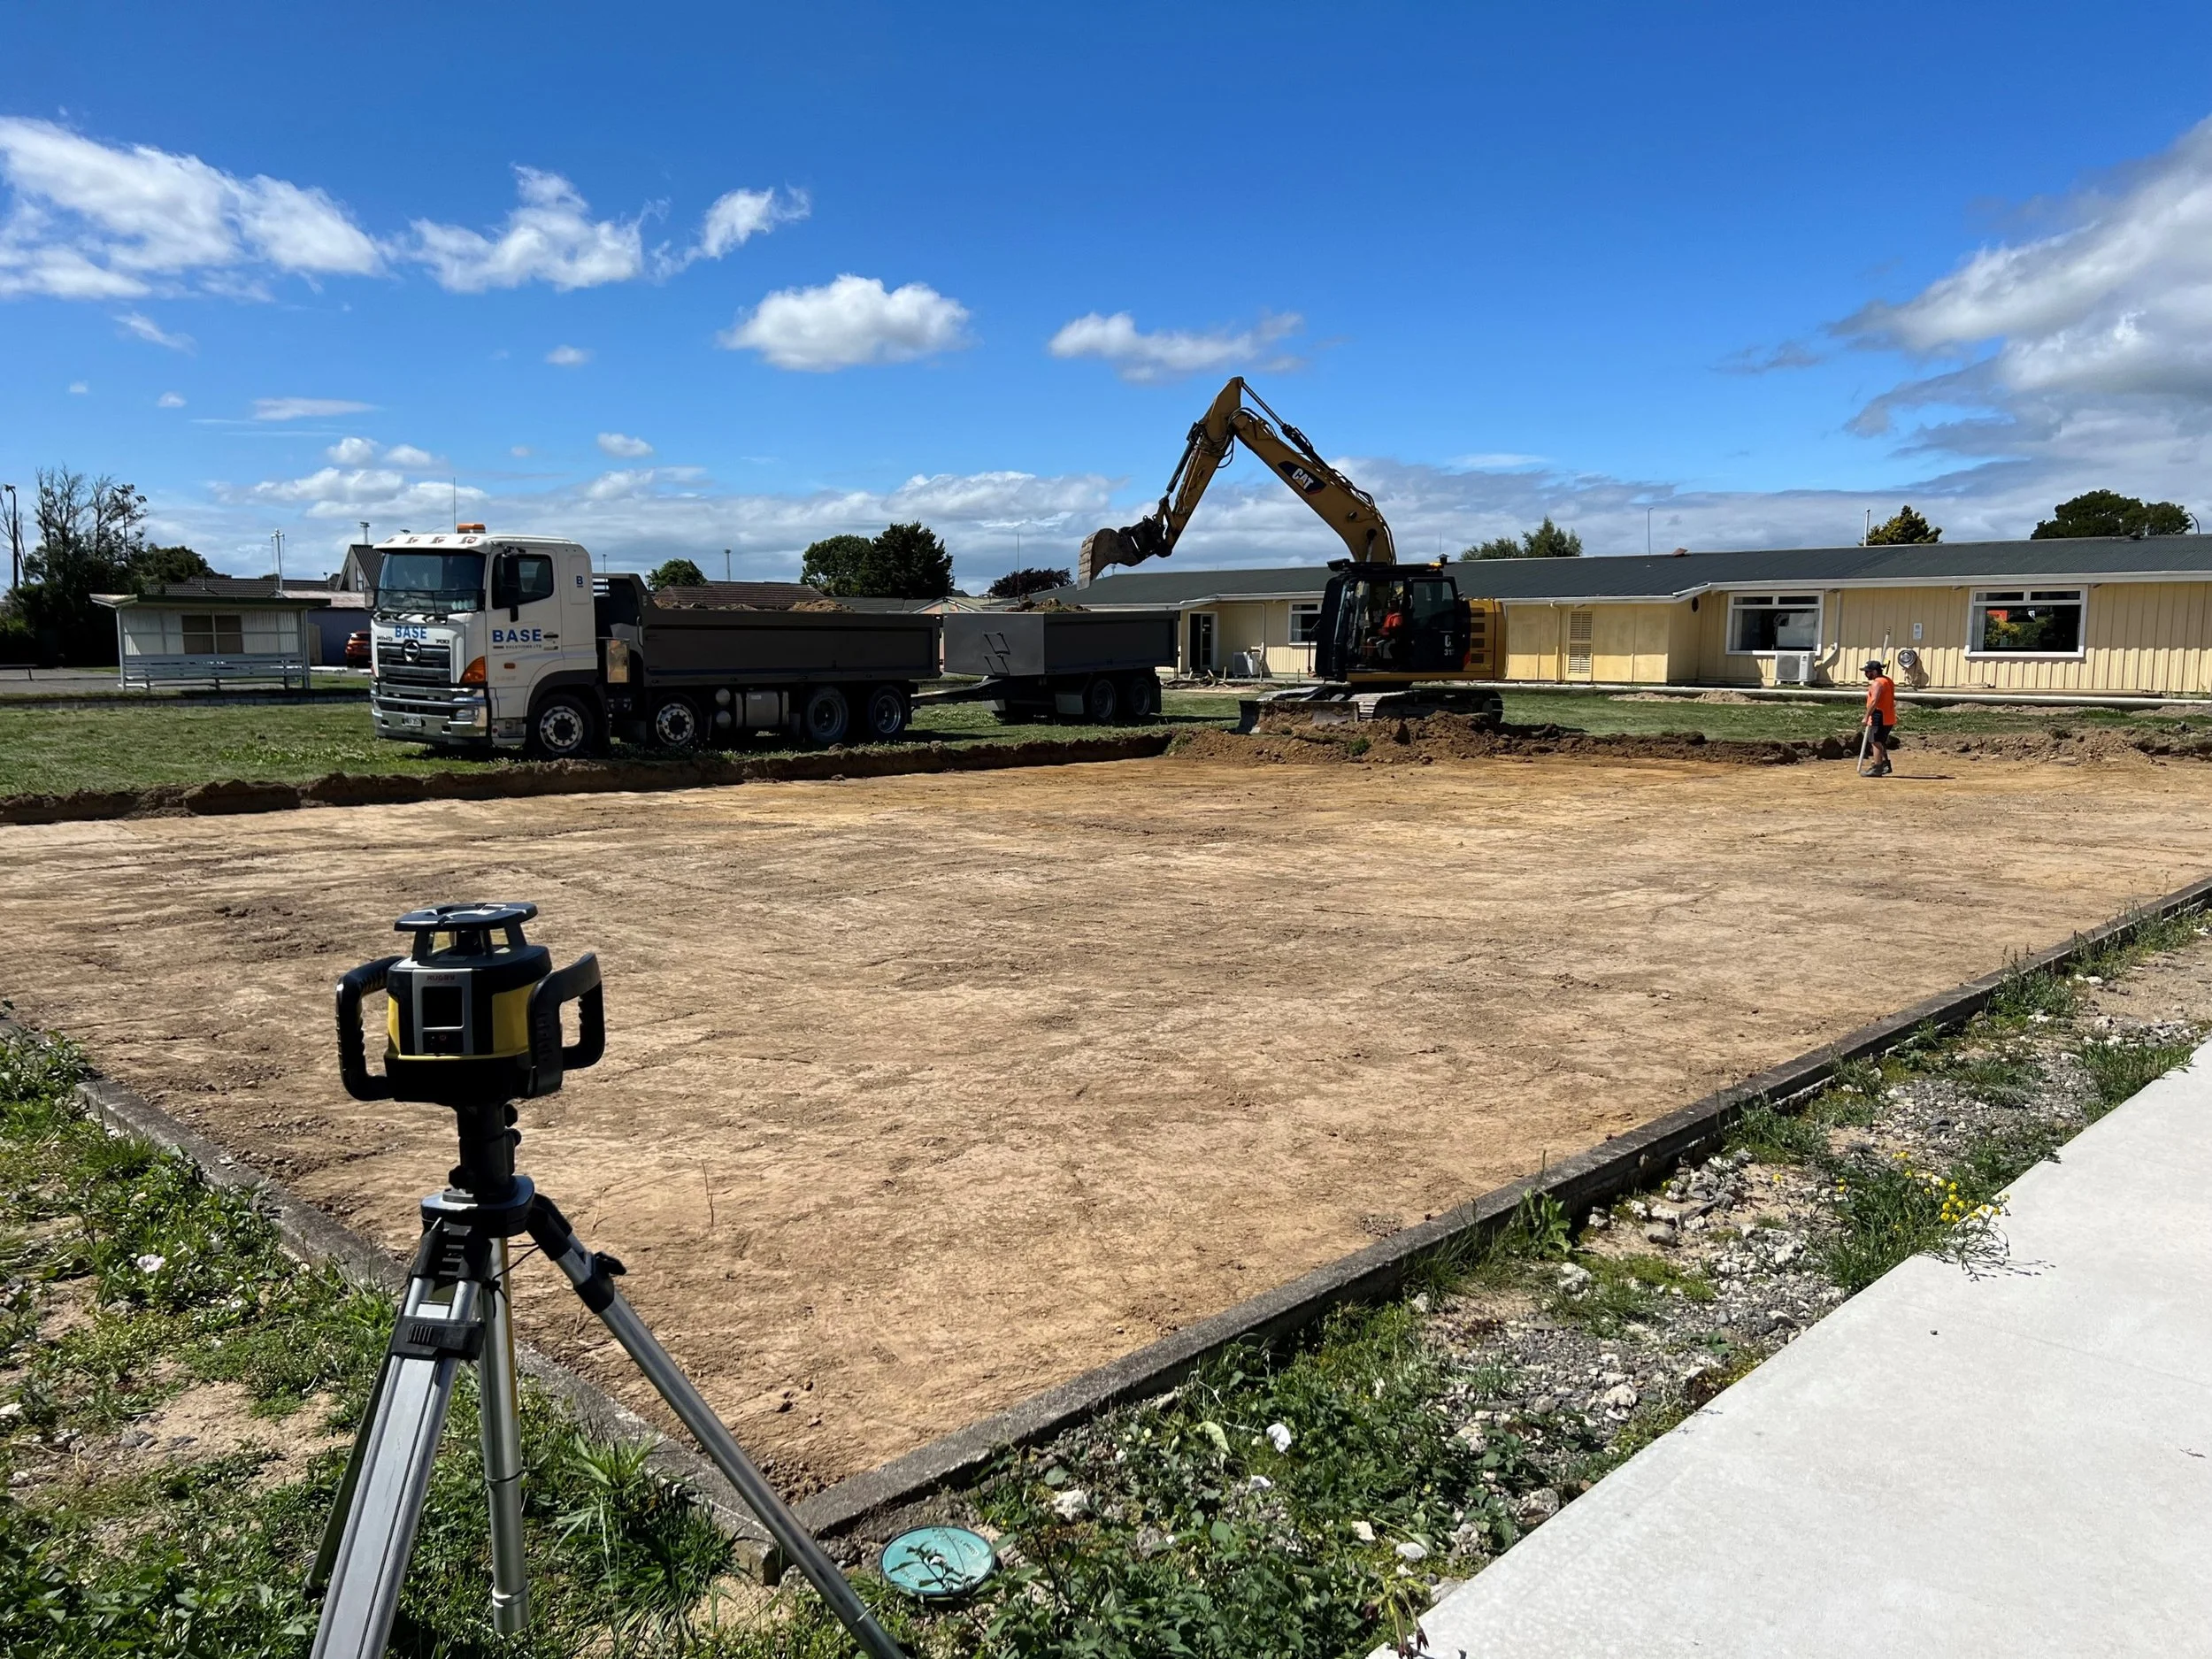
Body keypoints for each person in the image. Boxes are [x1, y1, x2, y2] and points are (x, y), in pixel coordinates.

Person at [1861, 658, 1896, 776]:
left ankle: (1877, 767)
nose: (1866, 674)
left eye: (1868, 672)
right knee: (1880, 741)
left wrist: (1866, 717)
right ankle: (1885, 764)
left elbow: (1874, 701)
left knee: (1875, 741)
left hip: (1879, 715)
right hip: (1888, 715)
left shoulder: (1877, 683)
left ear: (1875, 672)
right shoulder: (1888, 681)